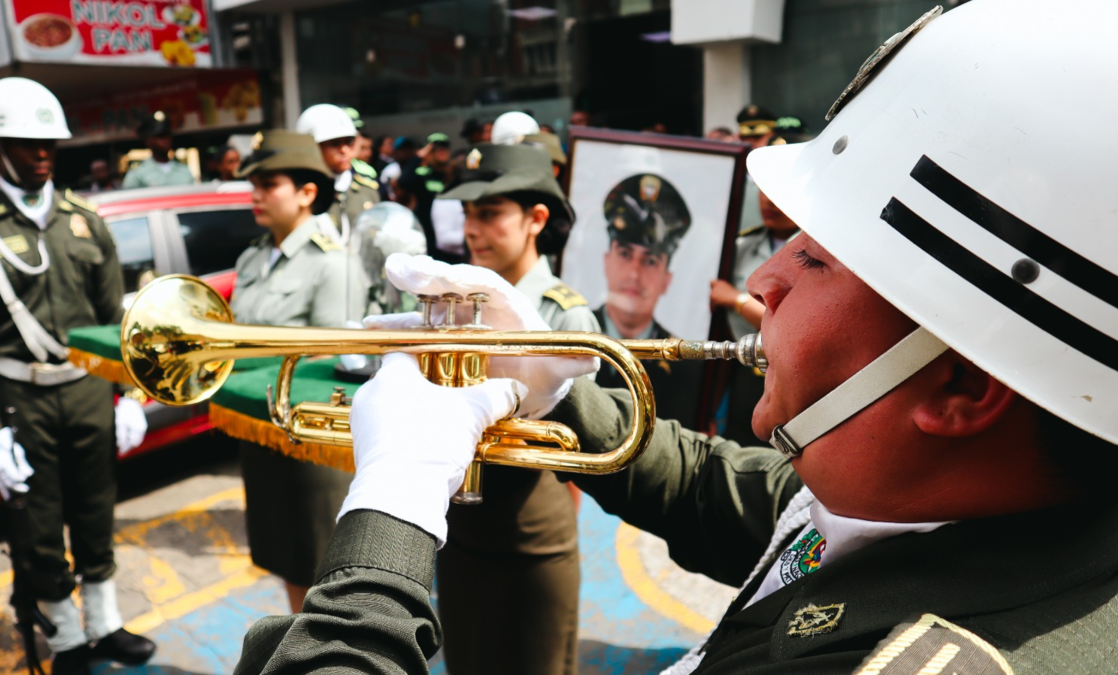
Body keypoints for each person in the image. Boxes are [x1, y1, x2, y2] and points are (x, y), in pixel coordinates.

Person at [233, 2, 1118, 672]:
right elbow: (715, 484)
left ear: (962, 389)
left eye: (818, 262)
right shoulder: (914, 499)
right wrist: (552, 383)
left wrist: (387, 510)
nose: (764, 280)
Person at [0, 77, 154, 675]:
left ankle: (105, 624)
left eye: (49, 143)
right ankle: (64, 640)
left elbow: (116, 320)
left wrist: (129, 392)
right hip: (18, 400)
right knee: (36, 527)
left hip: (86, 392)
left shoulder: (85, 220)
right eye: (27, 142)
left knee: (96, 512)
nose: (42, 153)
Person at [432, 143, 599, 675]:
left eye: (489, 213)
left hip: (533, 535)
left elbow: (580, 444)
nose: (472, 228)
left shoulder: (565, 315)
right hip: (459, 532)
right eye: (466, 214)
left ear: (536, 219)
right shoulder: (456, 304)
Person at [229, 129, 367, 616]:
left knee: (326, 570)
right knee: (287, 561)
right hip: (264, 434)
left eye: (269, 184)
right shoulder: (252, 258)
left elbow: (337, 366)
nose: (256, 195)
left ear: (308, 193)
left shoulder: (334, 265)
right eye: (254, 184)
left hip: (312, 444)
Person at [710, 133, 802, 446]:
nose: (767, 199)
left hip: (795, 380)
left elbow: (791, 327)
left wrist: (734, 300)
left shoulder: (821, 251)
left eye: (777, 187)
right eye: (763, 188)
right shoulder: (741, 246)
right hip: (745, 375)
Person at [594, 173, 705, 425]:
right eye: (624, 254)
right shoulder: (570, 337)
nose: (634, 274)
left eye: (651, 260)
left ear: (667, 280)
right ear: (606, 262)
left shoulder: (686, 365)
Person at [297, 104, 379, 243]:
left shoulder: (367, 189)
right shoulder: (299, 194)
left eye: (349, 142)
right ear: (310, 147)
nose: (344, 150)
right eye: (334, 143)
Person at [397, 133, 453, 260]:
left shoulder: (454, 173)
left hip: (451, 236)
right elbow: (403, 181)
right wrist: (418, 156)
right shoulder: (422, 174)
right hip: (428, 234)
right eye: (435, 149)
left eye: (444, 147)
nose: (441, 152)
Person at [121, 111, 195, 189]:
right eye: (160, 136)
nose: (165, 140)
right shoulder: (137, 174)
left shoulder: (184, 171)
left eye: (167, 135)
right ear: (148, 141)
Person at [736, 105, 777, 232]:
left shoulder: (779, 172)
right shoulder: (733, 173)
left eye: (758, 137)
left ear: (772, 135)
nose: (751, 143)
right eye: (745, 138)